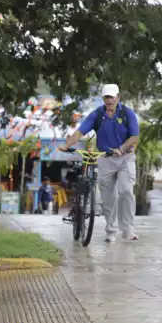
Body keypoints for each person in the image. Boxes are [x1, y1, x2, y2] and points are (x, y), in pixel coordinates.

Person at [61, 84, 140, 242]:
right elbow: (80, 132)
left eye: (112, 97)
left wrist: (121, 148)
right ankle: (110, 231)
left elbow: (134, 137)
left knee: (126, 191)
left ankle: (128, 230)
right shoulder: (97, 114)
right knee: (108, 198)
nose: (109, 100)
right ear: (103, 99)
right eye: (106, 97)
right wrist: (67, 145)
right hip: (105, 158)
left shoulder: (127, 113)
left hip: (125, 157)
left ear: (118, 97)